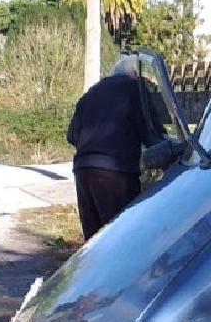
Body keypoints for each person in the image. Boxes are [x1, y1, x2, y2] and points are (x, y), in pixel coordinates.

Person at [67, 55, 157, 239]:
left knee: (93, 240)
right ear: (136, 74)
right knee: (119, 237)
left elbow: (72, 135)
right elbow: (151, 132)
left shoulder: (92, 93)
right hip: (116, 173)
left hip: (83, 170)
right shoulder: (135, 90)